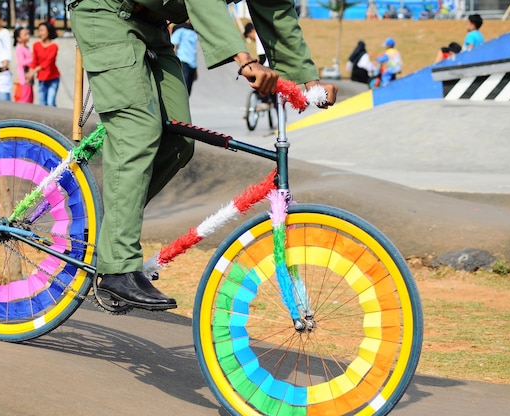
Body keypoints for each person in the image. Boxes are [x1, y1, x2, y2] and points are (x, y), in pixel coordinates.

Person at [70, 0, 338, 311]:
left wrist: (310, 81)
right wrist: (243, 59)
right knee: (138, 131)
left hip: (153, 25)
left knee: (180, 141)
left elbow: (275, 9)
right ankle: (117, 269)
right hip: (105, 13)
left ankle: (106, 230)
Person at [27, 22, 60, 107]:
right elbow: (34, 61)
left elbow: (48, 62)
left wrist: (33, 71)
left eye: (42, 30)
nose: (40, 33)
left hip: (53, 77)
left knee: (50, 102)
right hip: (42, 78)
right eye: (39, 31)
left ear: (48, 31)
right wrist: (30, 73)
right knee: (42, 103)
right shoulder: (36, 45)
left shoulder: (54, 46)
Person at [171, 20, 198, 95]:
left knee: (188, 91)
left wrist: (196, 70)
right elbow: (174, 46)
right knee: (182, 89)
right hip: (183, 62)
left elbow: (194, 50)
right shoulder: (180, 29)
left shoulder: (193, 31)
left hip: (192, 64)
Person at [13, 27, 34, 103]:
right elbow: (21, 62)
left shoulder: (27, 48)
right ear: (18, 38)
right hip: (23, 80)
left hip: (29, 78)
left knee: (30, 100)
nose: (28, 36)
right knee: (24, 100)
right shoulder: (19, 48)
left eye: (28, 34)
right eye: (25, 35)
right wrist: (33, 58)